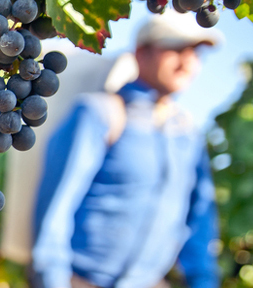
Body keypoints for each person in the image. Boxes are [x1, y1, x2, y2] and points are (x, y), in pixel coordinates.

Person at [31, 13, 223, 288]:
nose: (188, 63)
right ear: (141, 53)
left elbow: (200, 225)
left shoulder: (188, 135)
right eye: (177, 49)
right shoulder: (99, 114)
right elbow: (55, 211)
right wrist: (51, 281)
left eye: (195, 53)